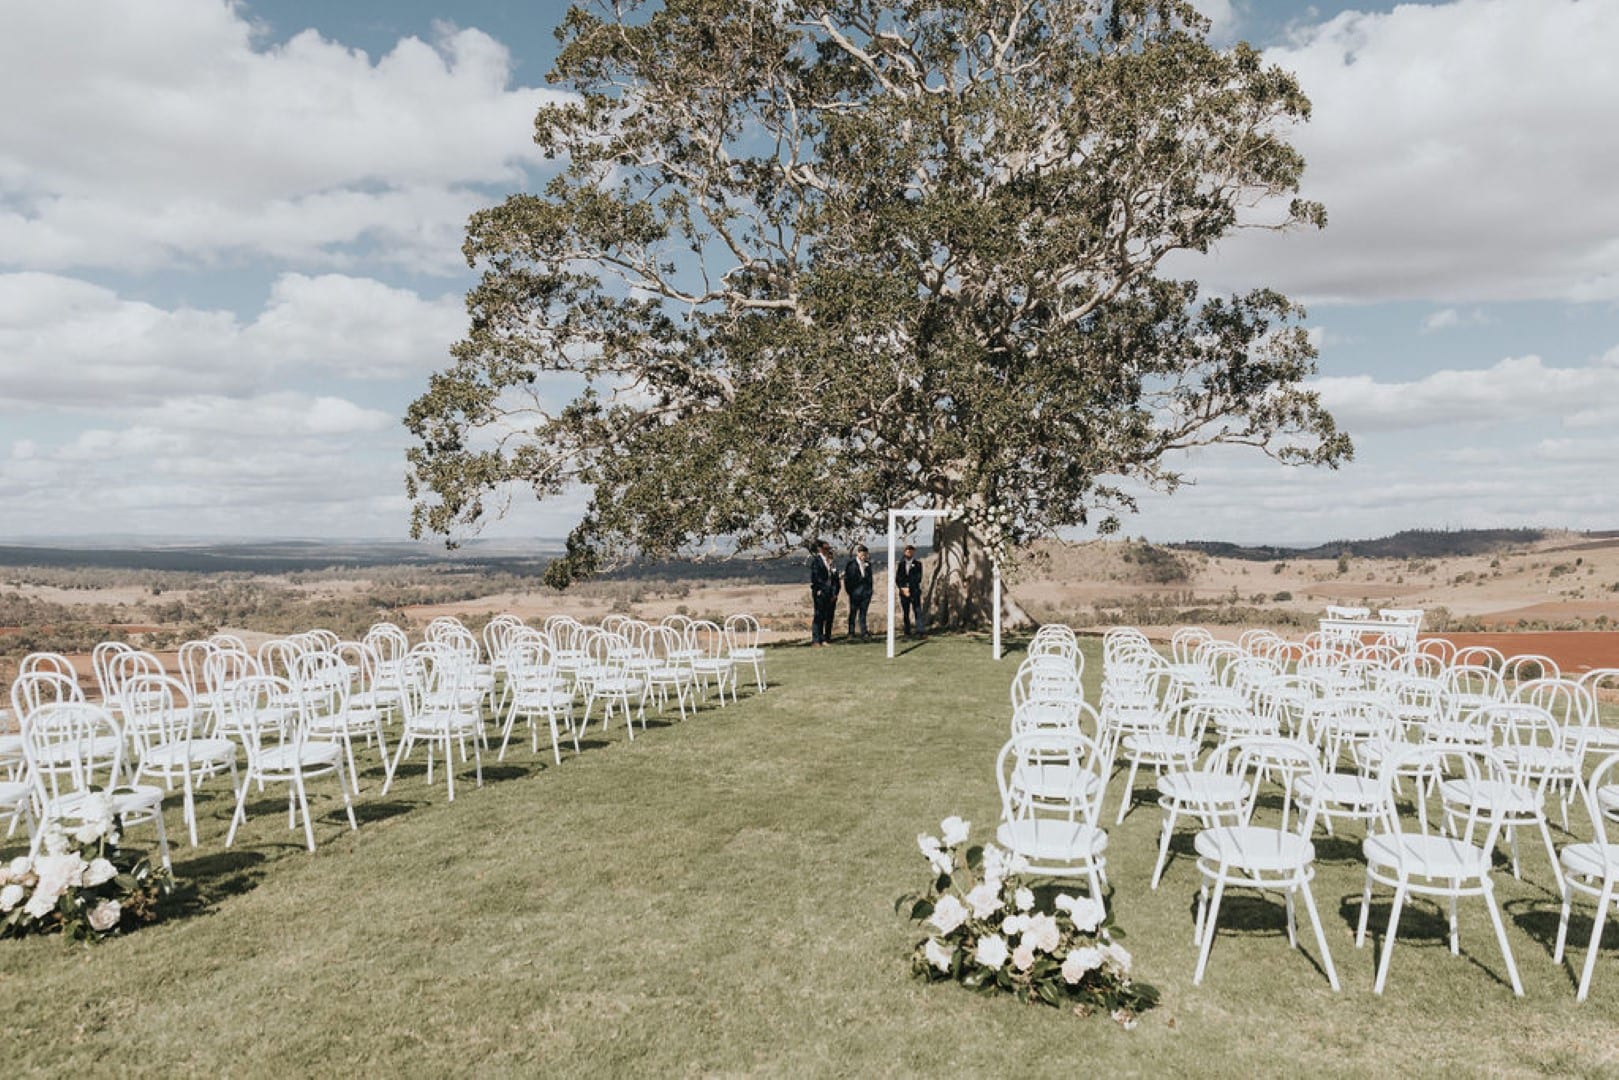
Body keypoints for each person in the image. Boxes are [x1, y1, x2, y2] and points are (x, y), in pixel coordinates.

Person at [808, 539, 839, 646]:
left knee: (828, 616)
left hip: (830, 593)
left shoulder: (831, 562)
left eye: (828, 549)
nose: (827, 550)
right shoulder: (816, 561)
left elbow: (835, 579)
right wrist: (822, 589)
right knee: (819, 615)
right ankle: (816, 639)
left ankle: (825, 638)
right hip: (821, 592)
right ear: (820, 549)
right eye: (825, 548)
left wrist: (834, 593)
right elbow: (816, 578)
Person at [843, 544, 874, 640]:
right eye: (862, 554)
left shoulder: (868, 564)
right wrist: (850, 592)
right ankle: (851, 632)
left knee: (863, 613)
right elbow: (847, 579)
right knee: (853, 613)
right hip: (855, 593)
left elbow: (869, 579)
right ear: (858, 553)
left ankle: (863, 631)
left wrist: (869, 591)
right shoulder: (851, 564)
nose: (864, 556)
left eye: (865, 554)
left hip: (865, 593)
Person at [897, 543, 925, 637]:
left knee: (917, 611)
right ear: (904, 552)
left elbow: (918, 578)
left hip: (914, 591)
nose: (909, 553)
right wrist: (903, 588)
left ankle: (920, 631)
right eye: (907, 551)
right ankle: (907, 631)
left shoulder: (918, 564)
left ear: (913, 552)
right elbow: (898, 578)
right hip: (903, 592)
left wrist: (910, 588)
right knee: (905, 612)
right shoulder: (901, 564)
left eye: (911, 551)